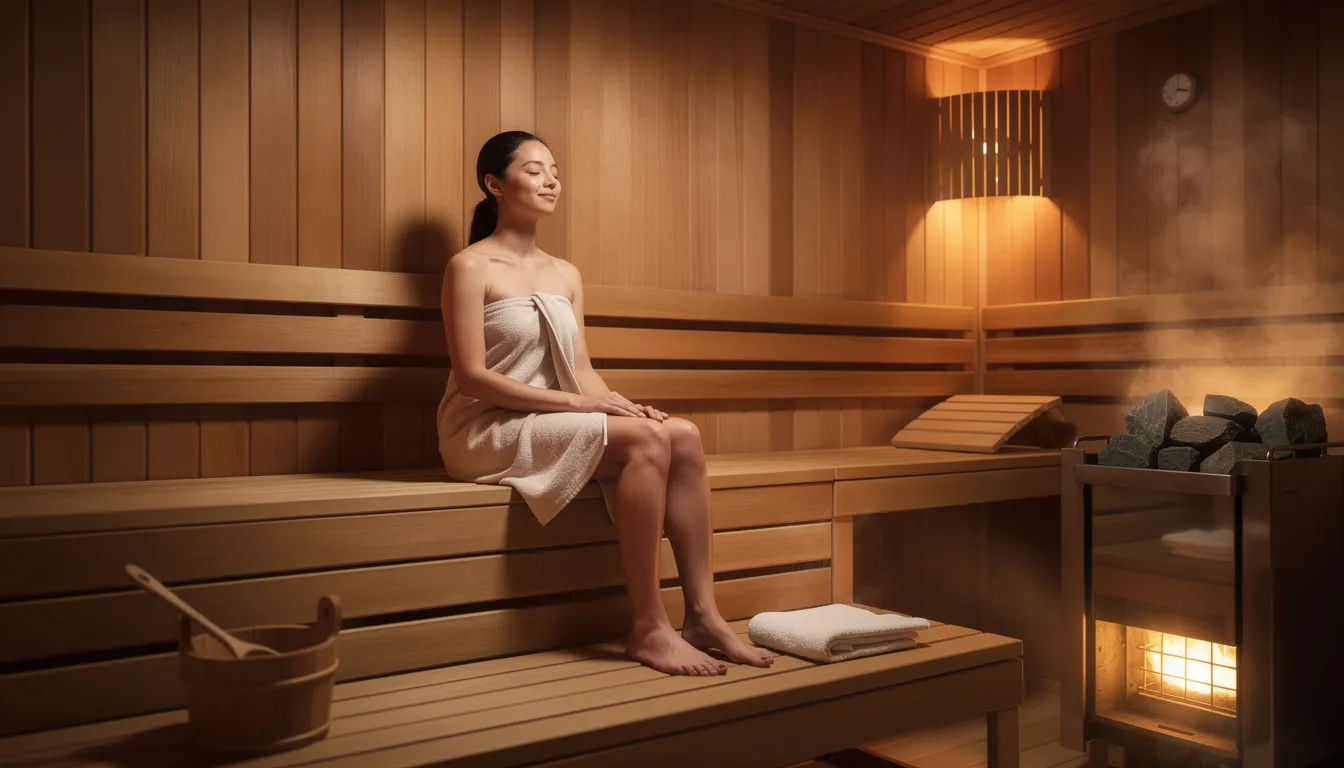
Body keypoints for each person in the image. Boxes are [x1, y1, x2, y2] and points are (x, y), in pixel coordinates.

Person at [437, 131, 774, 677]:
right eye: (533, 170)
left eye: (554, 170)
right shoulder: (470, 266)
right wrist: (577, 406)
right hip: (484, 429)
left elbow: (583, 369)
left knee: (679, 433)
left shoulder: (565, 272)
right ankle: (647, 625)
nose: (551, 180)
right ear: (494, 184)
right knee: (646, 442)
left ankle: (704, 616)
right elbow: (473, 379)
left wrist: (623, 405)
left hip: (549, 418)